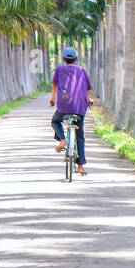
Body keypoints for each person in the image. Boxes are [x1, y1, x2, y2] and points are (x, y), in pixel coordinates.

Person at [50, 44, 92, 176]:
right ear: (76, 58)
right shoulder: (82, 70)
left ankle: (62, 140)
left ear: (63, 59)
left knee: (55, 121)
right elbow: (88, 88)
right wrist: (89, 99)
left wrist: (52, 99)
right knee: (80, 134)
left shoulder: (59, 69)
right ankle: (80, 166)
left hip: (63, 105)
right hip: (80, 107)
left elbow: (55, 86)